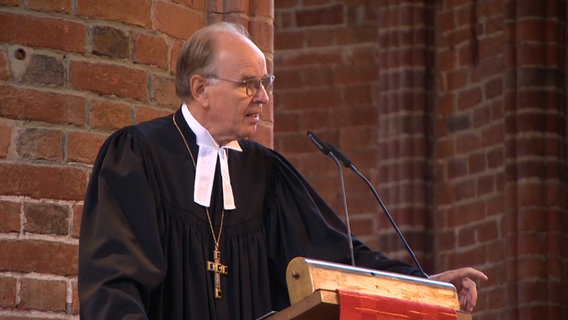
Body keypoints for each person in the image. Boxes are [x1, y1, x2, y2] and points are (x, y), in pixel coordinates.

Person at [78, 22, 487, 319]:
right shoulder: (138, 156)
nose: (264, 98)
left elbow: (338, 255)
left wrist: (425, 284)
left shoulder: (265, 173)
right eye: (248, 83)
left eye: (266, 82)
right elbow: (113, 288)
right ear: (200, 88)